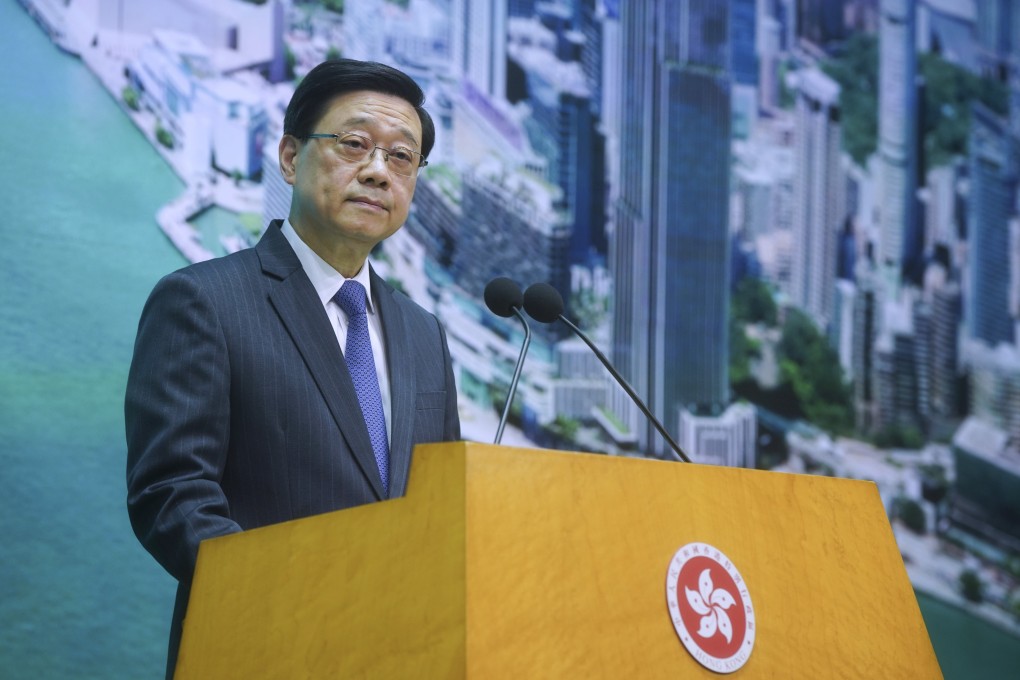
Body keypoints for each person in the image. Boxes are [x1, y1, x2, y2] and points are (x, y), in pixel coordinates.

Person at [125, 58, 461, 679]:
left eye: (401, 158)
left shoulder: (423, 335)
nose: (377, 171)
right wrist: (307, 604)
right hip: (262, 651)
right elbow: (171, 495)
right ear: (289, 157)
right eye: (354, 144)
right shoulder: (205, 301)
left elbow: (437, 510)